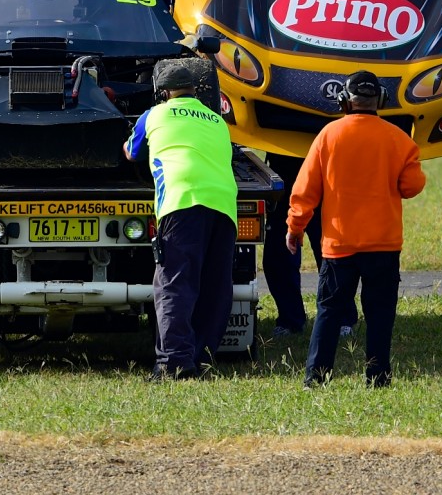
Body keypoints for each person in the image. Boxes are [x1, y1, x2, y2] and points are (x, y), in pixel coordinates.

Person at [286, 70, 426, 388]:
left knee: (329, 312)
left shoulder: (328, 136)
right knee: (380, 314)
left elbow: (305, 190)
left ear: (344, 102)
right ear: (380, 100)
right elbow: (412, 186)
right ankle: (377, 378)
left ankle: (316, 378)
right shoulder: (399, 140)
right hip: (383, 244)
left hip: (339, 244)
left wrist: (295, 228)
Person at [124, 63, 238, 381]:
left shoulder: (155, 114)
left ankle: (173, 363)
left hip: (182, 200)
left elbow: (131, 152)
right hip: (225, 204)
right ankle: (200, 358)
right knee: (215, 287)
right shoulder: (217, 120)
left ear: (162, 92)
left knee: (174, 284)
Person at [263, 153, 358, 338]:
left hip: (327, 174)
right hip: (285, 172)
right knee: (278, 257)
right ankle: (290, 320)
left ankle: (342, 318)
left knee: (333, 254)